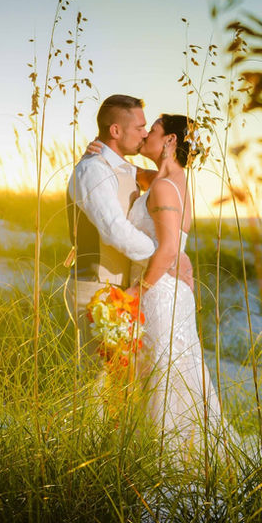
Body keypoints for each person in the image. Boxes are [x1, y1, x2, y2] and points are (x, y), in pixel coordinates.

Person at [90, 114, 230, 459]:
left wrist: (136, 292)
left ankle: (166, 460)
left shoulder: (165, 187)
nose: (144, 135)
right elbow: (141, 176)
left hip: (160, 293)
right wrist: (105, 154)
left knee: (162, 375)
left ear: (170, 140)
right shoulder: (170, 180)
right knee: (166, 373)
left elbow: (168, 249)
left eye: (151, 130)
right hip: (167, 289)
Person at [64, 95, 192, 361]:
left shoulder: (127, 170)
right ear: (115, 130)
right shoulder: (93, 169)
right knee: (97, 378)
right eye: (140, 127)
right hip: (96, 286)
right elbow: (115, 231)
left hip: (127, 289)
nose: (144, 134)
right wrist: (167, 258)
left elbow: (165, 179)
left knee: (127, 377)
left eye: (149, 129)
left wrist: (172, 253)